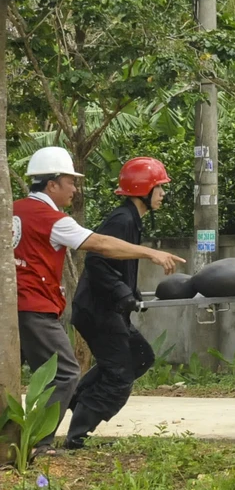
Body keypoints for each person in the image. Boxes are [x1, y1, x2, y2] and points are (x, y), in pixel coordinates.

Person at [13, 147, 185, 456]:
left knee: (130, 358)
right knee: (66, 372)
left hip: (16, 307)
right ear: (52, 184)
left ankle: (70, 411)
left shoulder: (12, 211)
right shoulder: (53, 219)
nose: (75, 189)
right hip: (37, 307)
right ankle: (43, 444)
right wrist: (151, 254)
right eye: (70, 182)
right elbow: (99, 248)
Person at [63, 158, 174, 450]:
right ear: (143, 189)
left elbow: (118, 266)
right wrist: (123, 295)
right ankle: (77, 435)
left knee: (140, 356)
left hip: (107, 309)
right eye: (159, 187)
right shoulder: (122, 220)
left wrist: (131, 293)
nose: (163, 194)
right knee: (120, 374)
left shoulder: (130, 219)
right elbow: (98, 261)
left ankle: (77, 399)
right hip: (97, 312)